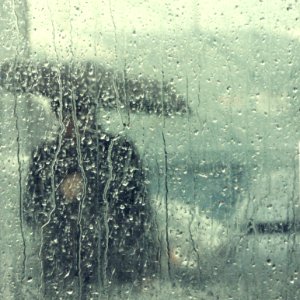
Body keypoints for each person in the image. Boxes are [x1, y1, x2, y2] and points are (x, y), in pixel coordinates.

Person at [0, 60, 187, 298]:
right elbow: (31, 213)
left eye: (79, 113)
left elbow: (139, 212)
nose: (73, 123)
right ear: (57, 114)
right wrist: (59, 195)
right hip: (62, 269)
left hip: (114, 267)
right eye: (65, 114)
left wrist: (147, 262)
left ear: (91, 113)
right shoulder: (45, 155)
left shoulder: (119, 151)